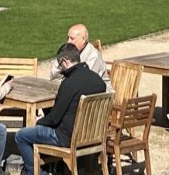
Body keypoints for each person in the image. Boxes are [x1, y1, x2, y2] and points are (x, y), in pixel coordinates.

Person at [16, 44, 104, 173]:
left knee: (21, 135)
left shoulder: (69, 83)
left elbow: (54, 119)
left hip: (66, 138)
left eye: (60, 64)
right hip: (92, 136)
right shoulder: (97, 80)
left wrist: (39, 122)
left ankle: (35, 172)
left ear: (65, 61)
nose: (60, 68)